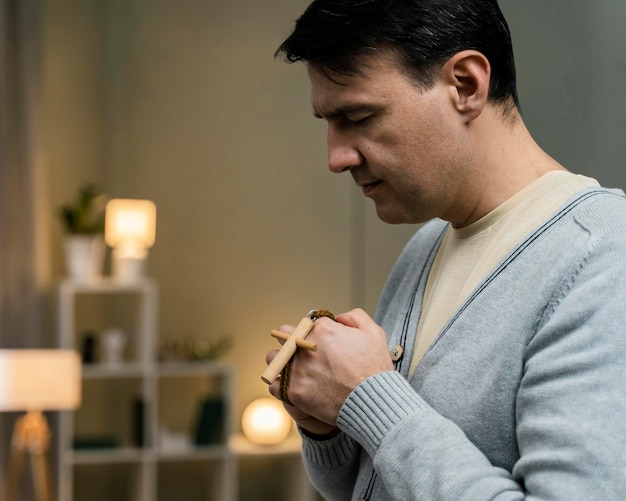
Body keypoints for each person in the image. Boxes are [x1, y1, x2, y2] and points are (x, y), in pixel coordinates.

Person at [265, 0, 626, 499]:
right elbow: (373, 484)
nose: (336, 157)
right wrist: (328, 424)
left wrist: (372, 399)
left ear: (466, 85)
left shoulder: (604, 259)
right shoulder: (425, 246)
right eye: (327, 122)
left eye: (358, 116)